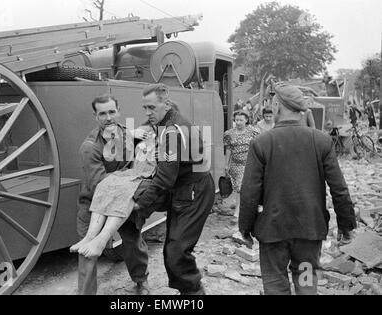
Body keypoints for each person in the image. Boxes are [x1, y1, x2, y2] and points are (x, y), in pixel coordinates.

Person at [239, 83, 357, 295]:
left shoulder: (261, 143)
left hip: (273, 231)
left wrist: (245, 228)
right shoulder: (321, 141)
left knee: (275, 285)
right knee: (306, 282)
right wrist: (346, 225)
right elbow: (339, 188)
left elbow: (249, 192)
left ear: (277, 106)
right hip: (309, 231)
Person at [133, 83, 215, 295]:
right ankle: (189, 291)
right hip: (184, 190)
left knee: (177, 251)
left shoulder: (172, 131)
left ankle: (194, 294)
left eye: (151, 107)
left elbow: (164, 179)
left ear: (166, 104)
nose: (147, 113)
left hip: (193, 192)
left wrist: (140, 204)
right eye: (145, 108)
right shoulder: (167, 121)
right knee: (172, 249)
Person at [74, 94, 150, 295]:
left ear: (118, 111)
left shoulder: (128, 135)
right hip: (93, 203)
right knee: (87, 251)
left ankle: (141, 281)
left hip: (123, 200)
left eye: (111, 112)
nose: (108, 118)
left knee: (134, 242)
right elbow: (100, 185)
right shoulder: (90, 147)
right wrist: (128, 174)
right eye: (102, 113)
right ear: (95, 116)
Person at [71, 125, 157, 259]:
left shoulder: (129, 135)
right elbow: (96, 182)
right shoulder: (91, 146)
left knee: (132, 240)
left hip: (130, 183)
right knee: (106, 186)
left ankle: (100, 240)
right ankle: (90, 238)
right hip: (95, 197)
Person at [223, 111, 260, 219]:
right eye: (236, 120)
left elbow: (259, 144)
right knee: (238, 187)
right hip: (235, 164)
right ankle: (248, 206)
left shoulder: (253, 132)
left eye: (241, 120)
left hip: (248, 163)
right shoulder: (229, 134)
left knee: (240, 187)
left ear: (246, 120)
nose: (238, 122)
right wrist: (226, 164)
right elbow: (228, 149)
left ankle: (238, 211)